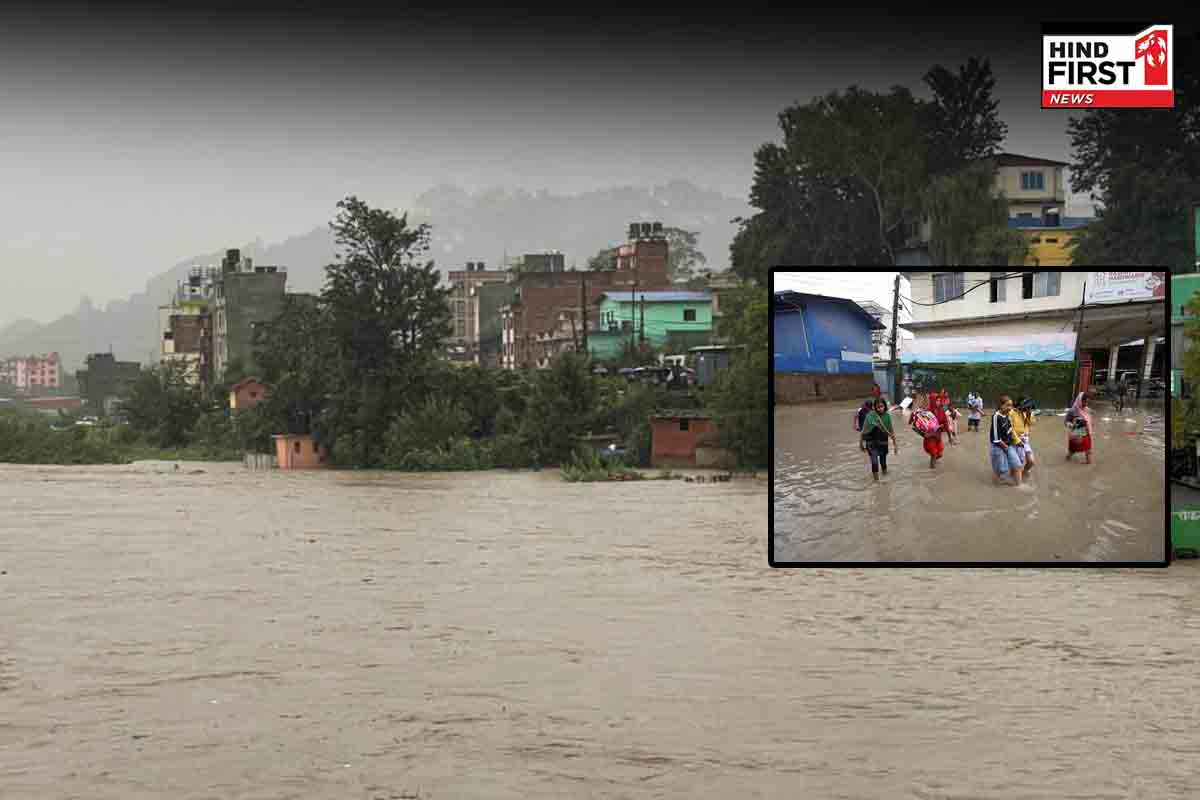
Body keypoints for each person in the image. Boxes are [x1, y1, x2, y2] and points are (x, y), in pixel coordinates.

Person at [861, 396, 899, 481]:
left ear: (885, 406)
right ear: (875, 407)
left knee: (883, 462)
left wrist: (895, 445)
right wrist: (861, 443)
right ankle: (876, 482)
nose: (880, 409)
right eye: (878, 407)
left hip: (883, 441)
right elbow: (864, 430)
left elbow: (891, 431)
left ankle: (885, 478)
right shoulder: (870, 416)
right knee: (874, 461)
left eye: (882, 406)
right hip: (871, 442)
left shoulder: (887, 416)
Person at [990, 394, 1024, 486]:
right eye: (1008, 405)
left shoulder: (1008, 414)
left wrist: (1017, 442)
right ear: (1001, 406)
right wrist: (1007, 449)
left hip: (1008, 445)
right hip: (998, 446)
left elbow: (1010, 430)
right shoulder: (996, 416)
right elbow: (996, 439)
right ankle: (996, 485)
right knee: (1000, 471)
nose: (1010, 408)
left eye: (1011, 405)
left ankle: (1019, 487)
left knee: (1017, 465)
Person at [1011, 396, 1036, 478]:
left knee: (1031, 461)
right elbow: (1010, 429)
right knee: (1016, 464)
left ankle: (1024, 472)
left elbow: (1032, 423)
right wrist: (1017, 440)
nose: (1027, 408)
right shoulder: (1012, 413)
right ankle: (1014, 476)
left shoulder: (1027, 413)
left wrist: (1028, 415)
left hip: (1025, 440)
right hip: (1015, 441)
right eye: (1026, 406)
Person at [1066, 392, 1094, 464]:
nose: (1086, 404)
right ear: (1080, 400)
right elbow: (1066, 421)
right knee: (1072, 451)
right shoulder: (1072, 411)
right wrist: (1072, 425)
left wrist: (1090, 426)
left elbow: (1090, 421)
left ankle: (1088, 463)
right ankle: (1068, 458)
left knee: (1088, 451)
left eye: (1087, 402)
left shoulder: (1087, 410)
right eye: (1084, 402)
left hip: (1086, 434)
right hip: (1076, 434)